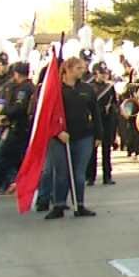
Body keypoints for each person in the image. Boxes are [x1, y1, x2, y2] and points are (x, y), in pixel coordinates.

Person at [46, 56, 103, 219]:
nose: (82, 71)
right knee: (62, 172)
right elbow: (48, 114)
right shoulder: (56, 89)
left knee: (79, 173)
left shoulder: (87, 89)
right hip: (60, 137)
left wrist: (99, 134)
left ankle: (80, 204)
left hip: (83, 135)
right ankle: (59, 204)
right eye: (78, 68)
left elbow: (95, 112)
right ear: (68, 69)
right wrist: (57, 132)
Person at [0, 63, 33, 197]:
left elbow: (19, 107)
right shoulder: (19, 87)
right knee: (14, 158)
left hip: (19, 128)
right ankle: (3, 185)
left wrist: (3, 112)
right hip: (17, 127)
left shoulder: (24, 88)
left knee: (2, 156)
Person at [86, 63, 118, 187]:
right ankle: (90, 176)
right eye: (102, 73)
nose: (104, 75)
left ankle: (107, 176)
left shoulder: (109, 87)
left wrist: (112, 108)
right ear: (96, 73)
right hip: (94, 121)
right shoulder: (89, 87)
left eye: (105, 73)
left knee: (106, 150)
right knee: (92, 151)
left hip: (107, 120)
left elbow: (114, 102)